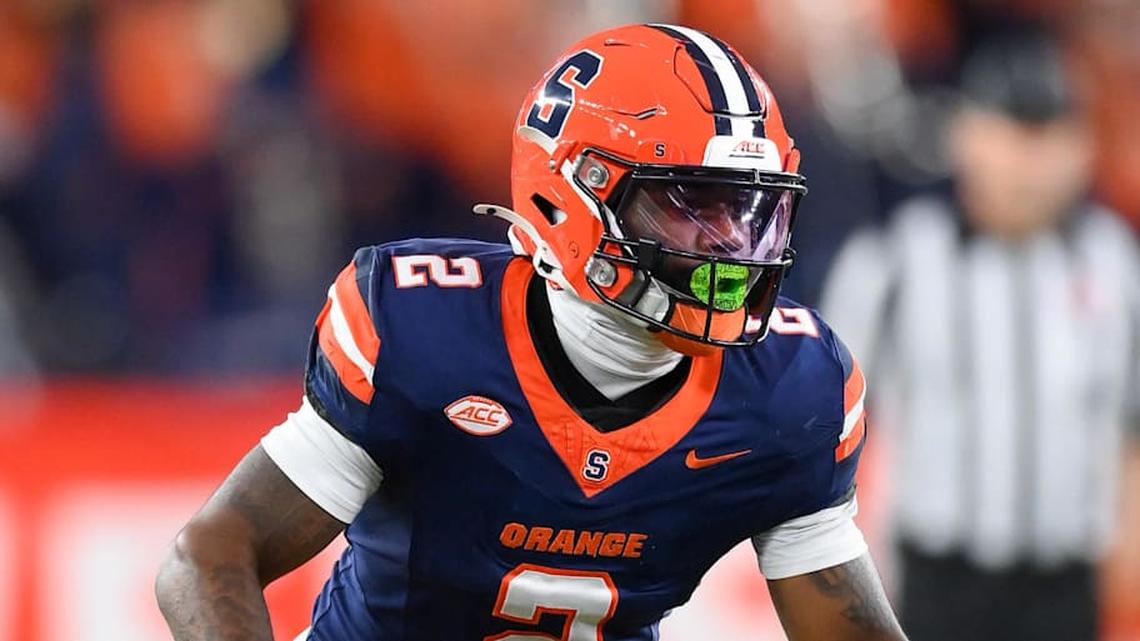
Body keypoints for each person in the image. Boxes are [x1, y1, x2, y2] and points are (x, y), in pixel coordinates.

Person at [156, 24, 908, 641]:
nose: (728, 248)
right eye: (691, 206)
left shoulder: (789, 390)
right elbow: (209, 554)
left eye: (750, 211)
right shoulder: (425, 332)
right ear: (565, 197)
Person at [821, 31, 1140, 641]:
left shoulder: (1112, 261)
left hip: (1068, 582)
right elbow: (836, 425)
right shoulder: (896, 259)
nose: (1031, 160)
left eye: (1051, 136)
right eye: (1014, 134)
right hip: (938, 577)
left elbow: (1130, 420)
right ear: (966, 135)